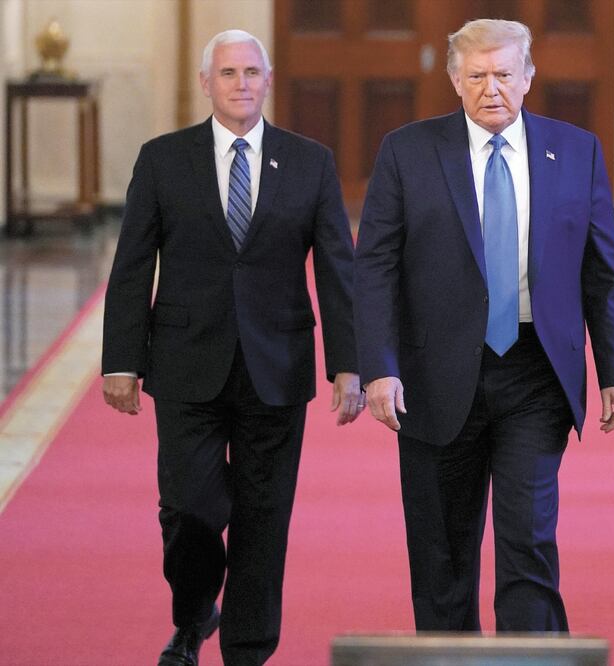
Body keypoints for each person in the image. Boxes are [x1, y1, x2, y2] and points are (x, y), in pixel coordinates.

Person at [354, 19, 614, 633]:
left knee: (528, 542)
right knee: (442, 555)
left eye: (504, 74)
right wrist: (377, 366)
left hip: (536, 372)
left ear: (528, 78)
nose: (491, 89)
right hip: (433, 377)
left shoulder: (577, 150)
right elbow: (373, 267)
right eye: (476, 76)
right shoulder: (408, 151)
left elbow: (602, 271)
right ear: (455, 81)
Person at [102, 29, 363, 666]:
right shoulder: (163, 159)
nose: (241, 83)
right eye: (228, 73)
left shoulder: (310, 162)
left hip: (277, 366)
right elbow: (134, 265)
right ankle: (194, 616)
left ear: (267, 80)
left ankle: (246, 650)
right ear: (206, 83)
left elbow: (336, 269)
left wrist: (350, 364)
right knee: (191, 508)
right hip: (186, 361)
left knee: (263, 518)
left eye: (251, 72)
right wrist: (120, 360)